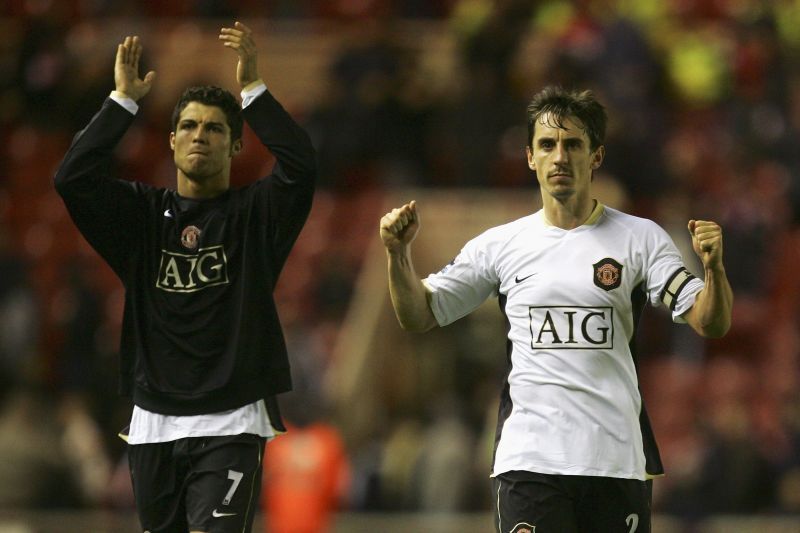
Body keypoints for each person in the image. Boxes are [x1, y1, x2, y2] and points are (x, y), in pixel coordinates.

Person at [379, 86, 733, 533]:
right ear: (530, 157)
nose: (560, 157)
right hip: (530, 460)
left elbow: (710, 321)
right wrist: (398, 255)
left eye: (573, 145)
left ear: (596, 157)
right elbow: (419, 314)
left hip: (615, 461)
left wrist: (715, 269)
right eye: (547, 145)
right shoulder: (501, 245)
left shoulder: (640, 239)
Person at [54, 22, 316, 533]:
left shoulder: (255, 216)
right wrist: (123, 103)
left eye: (216, 128)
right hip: (154, 420)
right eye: (190, 127)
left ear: (236, 146)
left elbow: (301, 168)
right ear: (171, 141)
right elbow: (72, 179)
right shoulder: (141, 218)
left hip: (232, 419)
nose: (201, 136)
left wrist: (254, 91)